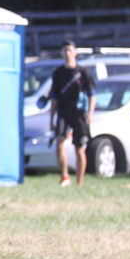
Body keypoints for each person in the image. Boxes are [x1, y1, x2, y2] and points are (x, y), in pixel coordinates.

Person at [49, 40, 95, 187]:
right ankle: (65, 176)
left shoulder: (83, 72)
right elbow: (54, 98)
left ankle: (79, 182)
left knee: (79, 148)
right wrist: (51, 118)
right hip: (63, 111)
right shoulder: (58, 73)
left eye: (70, 50)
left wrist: (90, 114)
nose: (68, 53)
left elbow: (92, 95)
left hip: (79, 113)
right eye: (65, 51)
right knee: (59, 142)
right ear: (62, 53)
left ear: (75, 52)